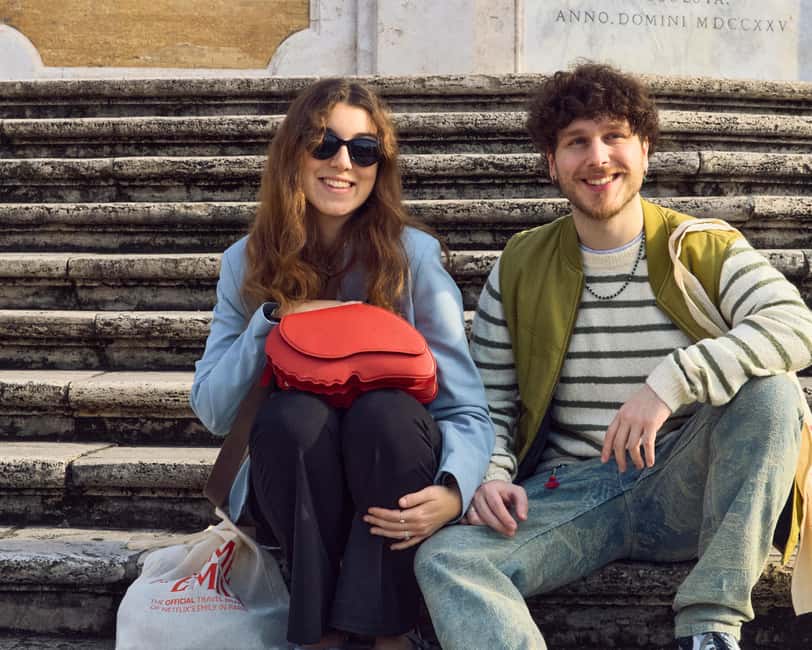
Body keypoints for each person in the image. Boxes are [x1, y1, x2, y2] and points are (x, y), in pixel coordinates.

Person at [414, 62, 812, 650]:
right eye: (577, 142)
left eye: (614, 136)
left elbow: (796, 323)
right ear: (552, 162)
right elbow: (490, 403)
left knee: (774, 393)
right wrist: (492, 476)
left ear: (644, 150)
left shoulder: (699, 245)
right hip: (570, 490)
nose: (597, 158)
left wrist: (669, 383)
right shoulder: (521, 264)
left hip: (687, 479)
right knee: (448, 558)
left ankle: (710, 626)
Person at [190, 79, 494, 650]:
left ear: (381, 165)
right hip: (292, 473)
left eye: (364, 149)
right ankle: (321, 633)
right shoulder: (245, 262)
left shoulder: (413, 259)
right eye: (324, 143)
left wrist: (455, 489)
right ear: (292, 154)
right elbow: (211, 408)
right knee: (294, 418)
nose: (343, 162)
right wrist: (277, 317)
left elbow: (465, 405)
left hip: (393, 462)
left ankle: (389, 634)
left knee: (384, 415)